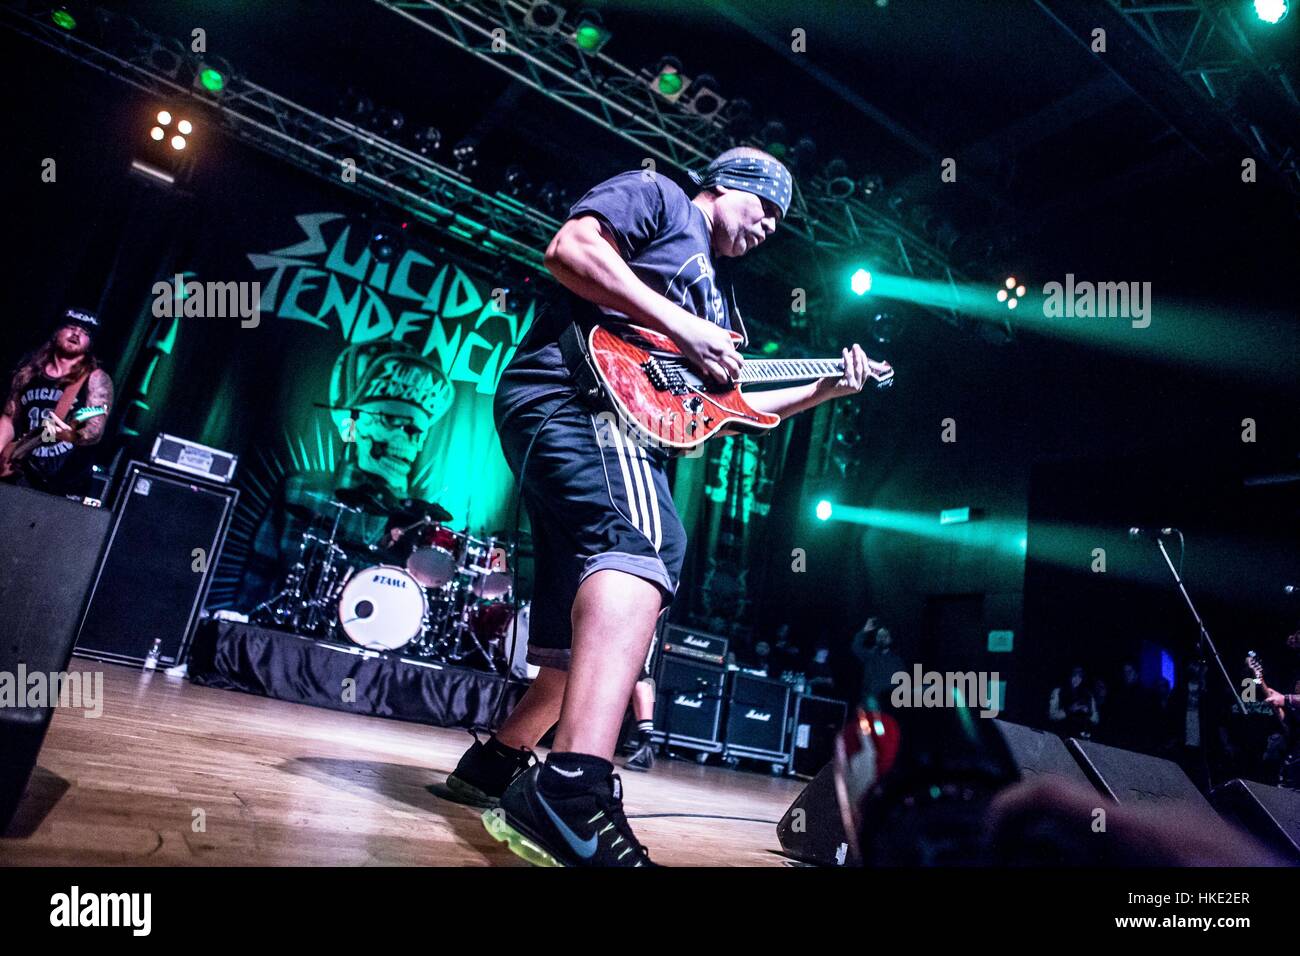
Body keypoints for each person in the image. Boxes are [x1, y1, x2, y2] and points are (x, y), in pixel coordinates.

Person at [470, 147, 882, 867]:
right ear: (726, 187)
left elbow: (741, 405)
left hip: (608, 429)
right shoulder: (658, 195)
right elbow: (571, 249)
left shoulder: (723, 305)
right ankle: (570, 790)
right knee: (650, 546)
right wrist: (682, 326)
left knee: (592, 631)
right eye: (765, 209)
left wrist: (829, 389)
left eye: (782, 223)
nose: (770, 229)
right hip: (579, 399)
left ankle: (496, 766)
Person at [0, 309, 113, 498]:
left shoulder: (95, 379)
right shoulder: (28, 373)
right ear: (57, 332)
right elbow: (9, 419)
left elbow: (94, 431)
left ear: (90, 343)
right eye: (71, 327)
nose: (76, 334)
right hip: (20, 475)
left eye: (85, 332)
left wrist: (67, 433)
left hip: (64, 484)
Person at [851, 617, 903, 707]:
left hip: (884, 706)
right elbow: (856, 647)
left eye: (885, 636)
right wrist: (864, 631)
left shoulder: (897, 662)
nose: (881, 638)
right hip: (865, 703)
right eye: (879, 636)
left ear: (890, 639)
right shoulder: (871, 654)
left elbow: (899, 686)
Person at [1048, 665, 1100, 739]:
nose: (1076, 679)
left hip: (1080, 737)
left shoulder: (1088, 696)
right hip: (1060, 735)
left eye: (1080, 677)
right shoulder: (1058, 691)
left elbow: (1095, 720)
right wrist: (1069, 710)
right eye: (1074, 676)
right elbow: (1052, 716)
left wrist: (1088, 712)